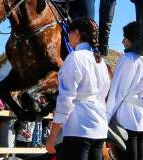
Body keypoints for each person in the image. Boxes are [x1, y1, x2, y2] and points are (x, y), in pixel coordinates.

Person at [45, 18, 110, 160]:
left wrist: (53, 136)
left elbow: (66, 99)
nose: (68, 37)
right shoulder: (101, 62)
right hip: (99, 127)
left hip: (79, 128)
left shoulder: (75, 57)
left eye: (70, 32)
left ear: (78, 33)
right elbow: (105, 94)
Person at [106, 22, 143, 160]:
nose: (122, 41)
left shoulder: (128, 59)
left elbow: (117, 92)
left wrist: (106, 118)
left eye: (125, 37)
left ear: (132, 39)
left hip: (127, 119)